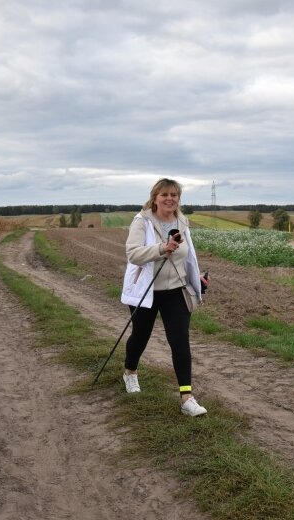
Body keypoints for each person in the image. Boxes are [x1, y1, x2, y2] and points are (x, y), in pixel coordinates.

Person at [120, 178, 209, 416]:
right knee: (140, 336)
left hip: (176, 291)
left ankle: (187, 398)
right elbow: (133, 254)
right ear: (155, 198)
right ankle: (130, 372)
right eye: (165, 195)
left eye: (174, 195)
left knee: (180, 342)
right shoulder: (142, 221)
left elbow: (187, 257)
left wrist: (196, 278)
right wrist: (162, 248)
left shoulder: (182, 221)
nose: (170, 199)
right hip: (147, 291)